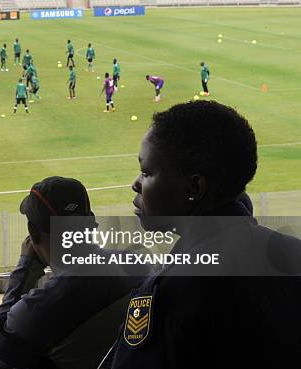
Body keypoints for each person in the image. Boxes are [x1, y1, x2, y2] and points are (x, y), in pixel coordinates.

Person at [107, 100, 301, 369]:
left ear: (194, 187)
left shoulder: (170, 293)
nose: (136, 184)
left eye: (146, 171)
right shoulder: (293, 254)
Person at [0, 177, 147, 369]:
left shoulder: (43, 306)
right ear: (91, 223)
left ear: (32, 232)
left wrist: (26, 267)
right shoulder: (138, 265)